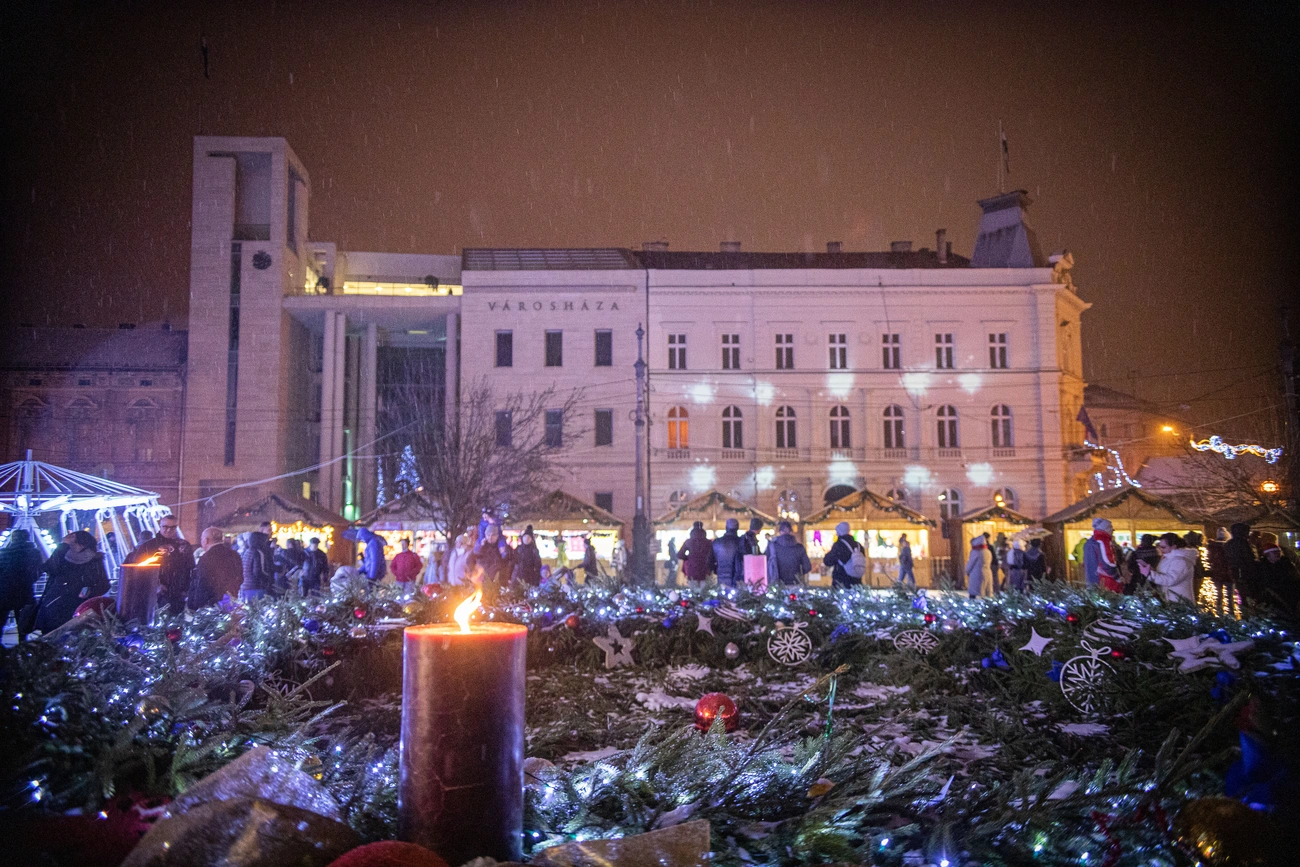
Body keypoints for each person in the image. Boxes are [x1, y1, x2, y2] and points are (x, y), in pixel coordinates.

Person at [34, 531, 109, 633]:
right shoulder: (63, 557)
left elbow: (104, 584)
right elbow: (50, 568)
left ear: (82, 544)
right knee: (51, 635)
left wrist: (89, 591)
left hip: (78, 609)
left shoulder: (94, 561)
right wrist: (62, 547)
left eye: (73, 543)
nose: (71, 546)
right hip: (55, 605)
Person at [125, 514, 195, 612]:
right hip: (154, 594)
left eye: (172, 527)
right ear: (160, 525)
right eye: (165, 527)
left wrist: (186, 589)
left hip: (178, 594)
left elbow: (190, 568)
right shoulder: (148, 547)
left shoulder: (184, 545)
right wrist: (155, 585)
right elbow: (138, 569)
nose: (168, 530)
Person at [0, 529, 43, 642]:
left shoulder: (4, 552)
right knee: (23, 624)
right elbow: (38, 571)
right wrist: (30, 580)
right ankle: (22, 647)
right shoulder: (33, 553)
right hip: (25, 591)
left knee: (1, 621)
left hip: (5, 591)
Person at [189, 527, 243, 608]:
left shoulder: (206, 557)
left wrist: (195, 604)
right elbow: (240, 577)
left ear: (206, 540)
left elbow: (202, 583)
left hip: (210, 604)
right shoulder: (234, 555)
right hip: (230, 601)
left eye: (202, 539)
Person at [1140, 533, 1197, 603]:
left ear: (1173, 547)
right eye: (1159, 546)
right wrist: (1151, 570)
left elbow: (1170, 580)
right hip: (1169, 599)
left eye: (1163, 547)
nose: (1160, 549)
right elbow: (1163, 574)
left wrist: (1150, 574)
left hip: (1179, 601)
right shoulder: (1168, 558)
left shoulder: (1181, 561)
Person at [1258, 539, 1300, 615]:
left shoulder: (1286, 564)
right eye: (1274, 552)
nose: (1277, 554)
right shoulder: (1263, 567)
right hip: (1274, 598)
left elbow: (1295, 578)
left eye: (1278, 552)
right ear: (1267, 555)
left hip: (1290, 596)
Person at [1224, 522, 1257, 612]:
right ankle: (1247, 614)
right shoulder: (1242, 543)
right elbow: (1248, 559)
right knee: (1247, 596)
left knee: (1243, 596)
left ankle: (1245, 613)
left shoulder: (1230, 543)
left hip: (1238, 572)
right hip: (1244, 573)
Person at [767, 520, 811, 586]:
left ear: (780, 532)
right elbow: (807, 567)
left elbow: (765, 563)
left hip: (777, 583)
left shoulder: (772, 547)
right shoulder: (799, 547)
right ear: (791, 532)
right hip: (796, 583)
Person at [1082, 518, 1122, 592]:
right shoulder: (1102, 541)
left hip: (1092, 580)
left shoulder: (1090, 542)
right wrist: (1117, 577)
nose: (1113, 530)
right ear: (1106, 529)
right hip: (1105, 583)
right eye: (1110, 527)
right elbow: (1107, 564)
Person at [823, 522, 865, 588]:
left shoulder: (839, 545)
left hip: (841, 580)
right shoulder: (858, 545)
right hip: (857, 581)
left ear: (839, 532)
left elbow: (828, 561)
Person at [238, 528, 274, 602]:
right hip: (256, 588)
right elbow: (258, 572)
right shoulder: (258, 553)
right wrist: (268, 577)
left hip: (245, 587)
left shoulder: (247, 551)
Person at [712, 518, 745, 588]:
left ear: (726, 527)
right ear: (737, 528)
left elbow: (710, 561)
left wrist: (717, 570)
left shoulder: (717, 542)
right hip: (738, 579)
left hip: (721, 577)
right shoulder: (741, 542)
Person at [1183, 531, 1206, 598]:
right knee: (1194, 592)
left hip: (1193, 573)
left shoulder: (1185, 549)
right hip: (1196, 573)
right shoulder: (1195, 550)